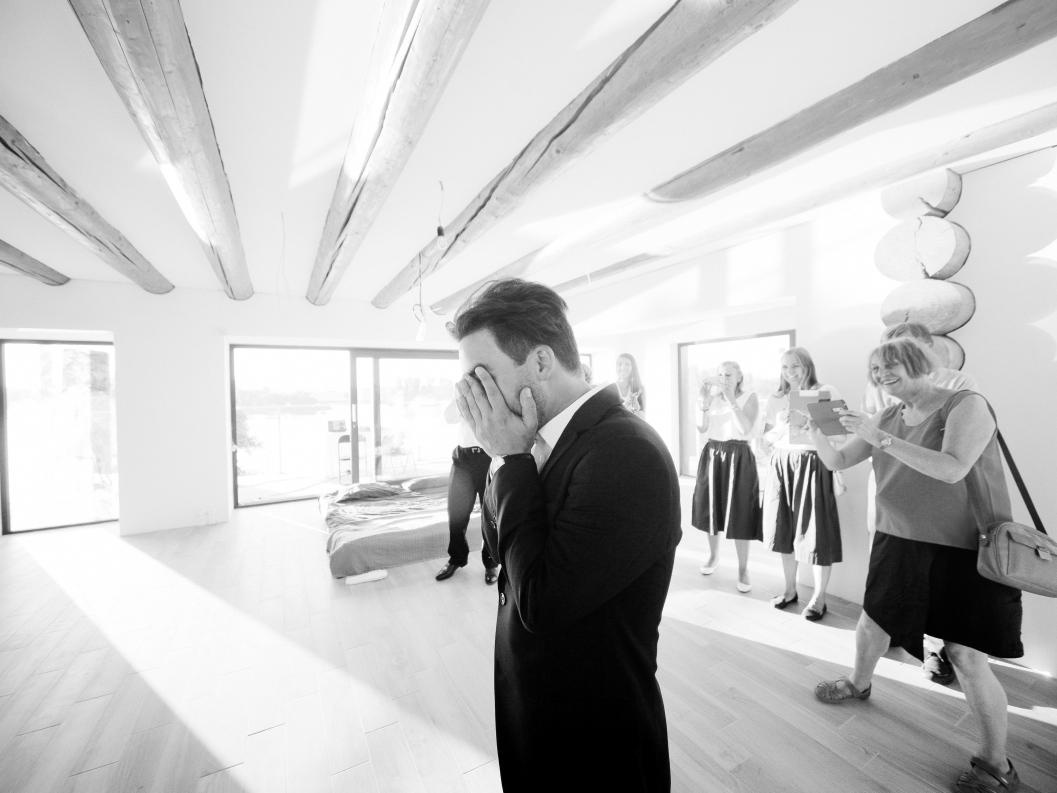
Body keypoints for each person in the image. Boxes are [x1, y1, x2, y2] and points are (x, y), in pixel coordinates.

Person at [451, 279, 681, 793]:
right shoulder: (534, 438)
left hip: (595, 742)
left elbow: (542, 603)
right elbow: (498, 548)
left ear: (540, 362)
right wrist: (502, 458)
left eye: (482, 377)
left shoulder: (625, 451)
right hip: (537, 713)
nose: (474, 397)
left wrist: (512, 459)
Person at [809, 339, 1023, 793]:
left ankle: (996, 765)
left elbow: (953, 468)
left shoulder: (965, 404)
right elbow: (838, 460)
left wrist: (880, 438)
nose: (881, 374)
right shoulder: (887, 416)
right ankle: (859, 683)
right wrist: (815, 430)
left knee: (965, 655)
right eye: (875, 368)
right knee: (873, 621)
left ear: (919, 363)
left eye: (891, 365)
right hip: (897, 540)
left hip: (963, 549)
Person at [861, 321, 978, 685]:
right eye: (884, 356)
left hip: (936, 501)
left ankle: (936, 648)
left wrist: (884, 437)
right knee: (891, 574)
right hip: (888, 489)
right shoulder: (878, 386)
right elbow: (869, 433)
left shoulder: (959, 387)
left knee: (938, 583)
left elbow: (953, 459)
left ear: (925, 347)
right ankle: (893, 633)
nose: (889, 365)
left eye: (901, 350)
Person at [761, 347, 842, 621]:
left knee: (817, 532)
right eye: (785, 367)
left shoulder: (825, 391)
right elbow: (767, 439)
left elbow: (839, 437)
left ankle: (819, 597)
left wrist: (810, 423)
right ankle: (789, 590)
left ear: (807, 365)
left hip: (812, 463)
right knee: (782, 527)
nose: (790, 372)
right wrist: (780, 427)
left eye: (795, 366)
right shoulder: (777, 398)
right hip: (781, 463)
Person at [691, 361, 761, 592]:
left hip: (739, 455)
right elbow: (701, 428)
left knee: (741, 511)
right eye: (720, 375)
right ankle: (713, 555)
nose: (724, 379)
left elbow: (746, 429)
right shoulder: (711, 398)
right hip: (713, 452)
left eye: (729, 375)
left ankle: (743, 568)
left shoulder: (750, 397)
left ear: (739, 376)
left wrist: (731, 399)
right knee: (711, 508)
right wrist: (703, 402)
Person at [434, 401, 499, 584]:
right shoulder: (461, 393)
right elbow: (449, 417)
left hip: (489, 458)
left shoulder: (496, 390)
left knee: (491, 515)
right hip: (463, 459)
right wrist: (462, 396)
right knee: (456, 512)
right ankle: (456, 558)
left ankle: (491, 563)